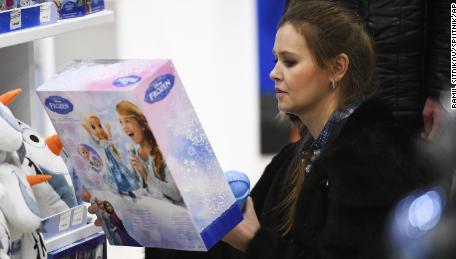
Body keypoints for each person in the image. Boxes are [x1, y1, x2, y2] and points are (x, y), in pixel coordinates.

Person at [93, 1, 430, 258]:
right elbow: (232, 246)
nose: (274, 74)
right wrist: (149, 220)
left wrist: (254, 241)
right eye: (274, 60)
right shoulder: (296, 157)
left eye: (290, 62)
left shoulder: (373, 160)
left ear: (337, 68)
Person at [283, 0, 450, 141]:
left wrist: (447, 95)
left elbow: (453, 16)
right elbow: (297, 17)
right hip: (330, 106)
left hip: (407, 108)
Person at [115, 100, 183, 203]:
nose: (124, 127)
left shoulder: (163, 151)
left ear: (141, 124)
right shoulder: (135, 154)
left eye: (127, 121)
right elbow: (136, 190)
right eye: (121, 122)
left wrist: (145, 174)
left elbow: (176, 194)